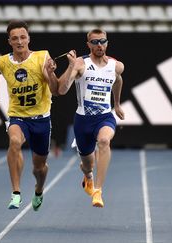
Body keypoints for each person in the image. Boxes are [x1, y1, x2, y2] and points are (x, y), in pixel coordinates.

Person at [47, 28, 124, 208]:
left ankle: (97, 191)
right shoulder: (81, 64)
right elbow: (62, 90)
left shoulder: (116, 65)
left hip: (105, 117)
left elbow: (118, 80)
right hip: (83, 122)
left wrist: (117, 104)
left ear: (107, 42)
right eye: (95, 42)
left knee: (104, 141)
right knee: (87, 165)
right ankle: (88, 176)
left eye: (102, 41)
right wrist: (71, 66)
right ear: (88, 44)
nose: (99, 45)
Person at [0, 20, 59, 211]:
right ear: (9, 41)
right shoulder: (2, 62)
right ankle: (16, 193)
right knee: (14, 142)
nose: (19, 41)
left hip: (41, 119)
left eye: (22, 37)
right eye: (15, 38)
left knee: (39, 168)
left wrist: (51, 74)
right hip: (17, 117)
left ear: (29, 38)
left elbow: (55, 89)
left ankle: (39, 189)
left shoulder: (42, 57)